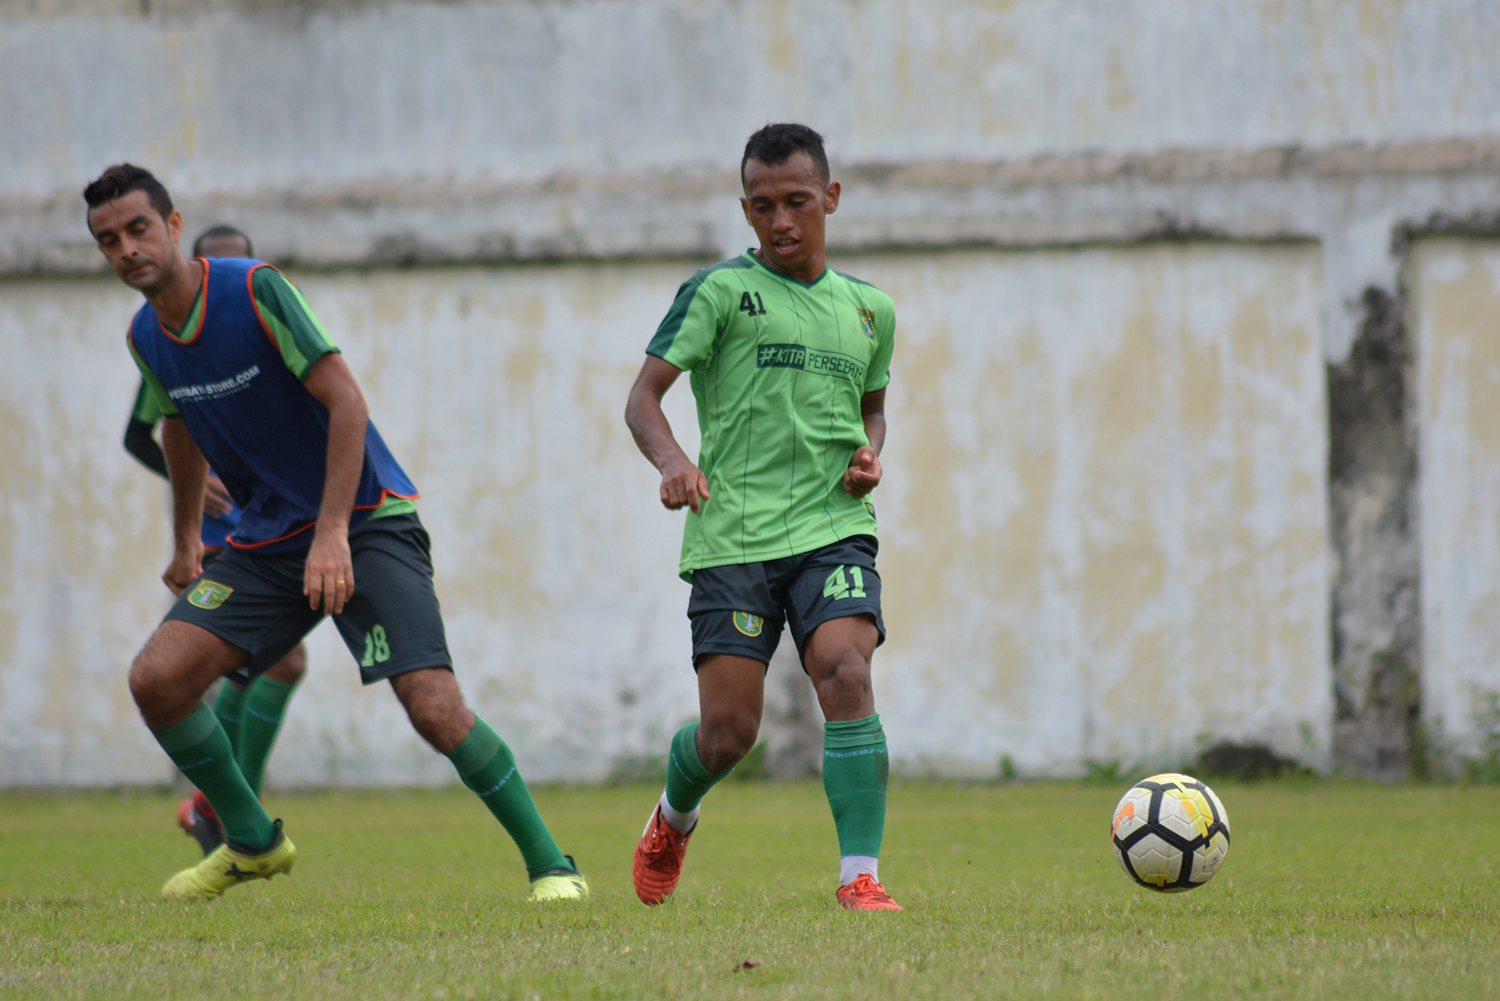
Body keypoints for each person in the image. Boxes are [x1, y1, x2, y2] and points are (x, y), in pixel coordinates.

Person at [85, 163, 587, 903]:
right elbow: (177, 426)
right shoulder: (145, 334)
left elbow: (347, 403)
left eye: (137, 228)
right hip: (264, 540)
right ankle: (250, 839)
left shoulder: (255, 290)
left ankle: (554, 866)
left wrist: (331, 535)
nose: (127, 248)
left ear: (173, 224)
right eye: (108, 240)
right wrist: (187, 538)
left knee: (433, 706)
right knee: (157, 679)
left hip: (366, 519)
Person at [624, 124, 901, 912]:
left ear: (831, 199)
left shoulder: (871, 309)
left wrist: (870, 453)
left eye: (797, 202)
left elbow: (872, 408)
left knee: (848, 670)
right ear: (745, 209)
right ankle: (673, 818)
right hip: (733, 532)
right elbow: (642, 399)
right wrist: (675, 462)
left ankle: (859, 877)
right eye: (762, 206)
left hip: (833, 524)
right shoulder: (718, 293)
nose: (781, 221)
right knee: (728, 735)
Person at [124, 224, 308, 857]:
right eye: (221, 266)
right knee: (273, 662)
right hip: (224, 529)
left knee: (278, 663)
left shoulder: (265, 322)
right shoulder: (168, 346)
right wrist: (192, 490)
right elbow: (142, 434)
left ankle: (221, 811)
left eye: (245, 265)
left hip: (275, 517)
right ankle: (227, 812)